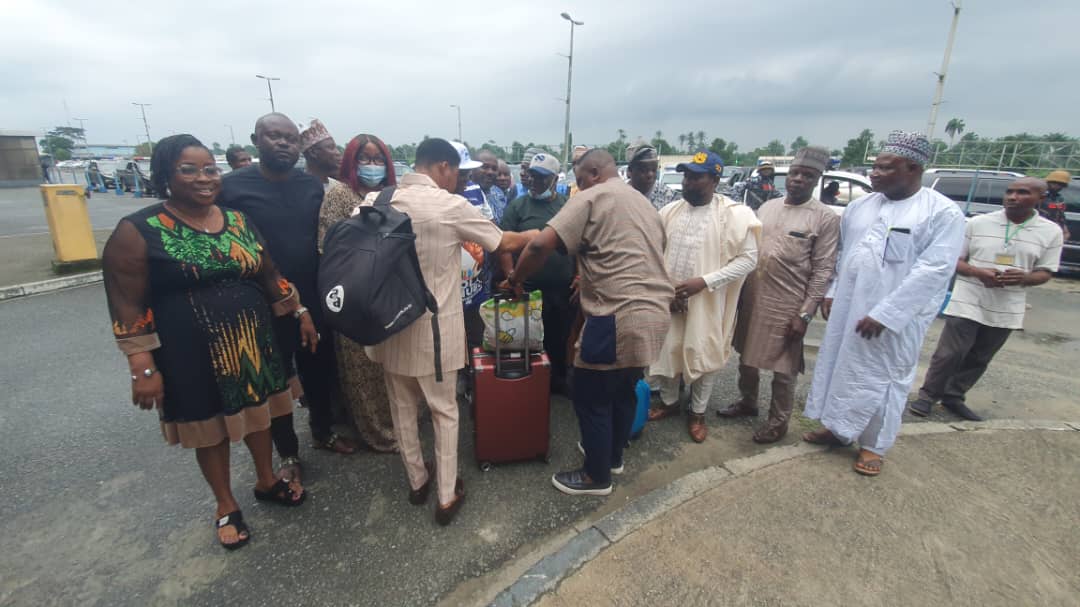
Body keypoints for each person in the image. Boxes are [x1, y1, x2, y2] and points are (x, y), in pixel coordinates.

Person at [102, 134, 310, 550]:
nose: (203, 178)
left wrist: (299, 310)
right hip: (190, 352)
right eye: (189, 170)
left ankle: (266, 480)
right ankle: (225, 503)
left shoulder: (237, 220)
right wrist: (142, 366)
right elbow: (127, 304)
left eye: (210, 169)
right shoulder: (139, 230)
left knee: (260, 416)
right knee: (208, 428)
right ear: (165, 175)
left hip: (254, 342)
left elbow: (268, 273)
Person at [362, 138, 538, 525]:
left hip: (387, 327)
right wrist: (534, 235)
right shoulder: (449, 206)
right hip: (434, 332)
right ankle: (445, 496)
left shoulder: (375, 201)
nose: (459, 178)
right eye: (457, 170)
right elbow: (501, 241)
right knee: (444, 412)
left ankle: (417, 482)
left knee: (402, 409)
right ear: (443, 166)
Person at [509, 150, 673, 496]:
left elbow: (538, 246)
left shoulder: (593, 197)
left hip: (616, 314)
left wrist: (515, 279)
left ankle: (596, 477)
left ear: (595, 172)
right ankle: (612, 457)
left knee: (589, 392)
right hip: (655, 313)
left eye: (581, 179)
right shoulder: (643, 203)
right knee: (624, 387)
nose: (579, 186)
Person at [802, 130, 965, 477]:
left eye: (885, 168)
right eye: (874, 167)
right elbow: (844, 254)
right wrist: (832, 291)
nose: (874, 174)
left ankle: (874, 446)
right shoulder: (860, 207)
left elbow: (935, 270)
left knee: (884, 378)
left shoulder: (942, 213)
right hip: (849, 307)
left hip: (896, 318)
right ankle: (838, 428)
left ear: (913, 169)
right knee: (842, 366)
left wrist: (886, 314)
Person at [220, 113, 358, 489]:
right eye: (273, 136)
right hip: (261, 300)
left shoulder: (312, 186)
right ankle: (288, 453)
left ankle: (323, 431)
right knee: (277, 379)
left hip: (313, 293)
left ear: (299, 146)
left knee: (318, 367)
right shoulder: (230, 188)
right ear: (256, 140)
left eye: (290, 138)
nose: (282, 143)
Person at [910, 178, 1062, 421]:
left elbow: (1046, 272)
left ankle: (954, 396)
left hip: (1007, 305)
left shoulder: (1051, 232)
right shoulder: (978, 223)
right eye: (1010, 192)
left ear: (1040, 198)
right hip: (968, 298)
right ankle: (927, 396)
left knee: (980, 356)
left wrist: (1024, 278)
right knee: (950, 352)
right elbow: (955, 260)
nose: (1013, 197)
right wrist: (978, 272)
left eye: (1022, 192)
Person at [722, 146, 841, 443]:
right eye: (795, 173)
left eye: (807, 175)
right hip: (753, 296)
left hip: (789, 303)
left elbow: (823, 270)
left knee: (784, 367)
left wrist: (805, 314)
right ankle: (748, 401)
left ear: (817, 180)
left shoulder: (825, 218)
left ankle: (778, 422)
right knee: (747, 356)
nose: (799, 179)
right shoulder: (767, 207)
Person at [646, 150, 760, 443]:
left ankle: (697, 413)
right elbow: (653, 253)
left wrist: (705, 282)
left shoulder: (735, 215)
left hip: (709, 301)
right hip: (670, 298)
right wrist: (666, 290)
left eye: (696, 177)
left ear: (715, 180)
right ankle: (669, 403)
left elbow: (749, 260)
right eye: (686, 176)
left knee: (703, 353)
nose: (687, 182)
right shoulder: (669, 211)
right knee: (669, 349)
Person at [317, 134, 399, 452]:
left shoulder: (394, 193)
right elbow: (327, 246)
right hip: (353, 293)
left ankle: (401, 423)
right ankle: (378, 432)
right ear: (352, 162)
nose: (372, 165)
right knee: (362, 366)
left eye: (378, 159)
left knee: (391, 364)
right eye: (365, 159)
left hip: (390, 292)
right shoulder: (340, 195)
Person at [499, 152, 575, 394]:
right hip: (528, 287)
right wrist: (512, 276)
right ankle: (529, 384)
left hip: (562, 287)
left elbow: (581, 243)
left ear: (555, 179)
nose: (536, 181)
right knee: (527, 338)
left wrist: (580, 275)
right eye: (533, 176)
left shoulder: (567, 206)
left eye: (543, 177)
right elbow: (504, 246)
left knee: (559, 337)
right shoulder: (518, 206)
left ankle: (557, 381)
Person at [625, 142, 677, 211]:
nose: (650, 175)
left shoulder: (669, 197)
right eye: (644, 170)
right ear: (630, 171)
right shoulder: (619, 195)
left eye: (654, 169)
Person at [300, 119, 343, 192]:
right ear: (313, 152)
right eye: (331, 147)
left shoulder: (341, 187)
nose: (338, 153)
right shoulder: (300, 191)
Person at [474, 150, 508, 223]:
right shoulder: (464, 193)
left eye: (494, 169)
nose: (490, 172)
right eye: (485, 167)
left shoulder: (498, 193)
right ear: (473, 169)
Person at [1042, 170, 1071, 240]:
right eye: (1056, 184)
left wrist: (1065, 230)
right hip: (1039, 229)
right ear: (1049, 182)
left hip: (1052, 231)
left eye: (1062, 185)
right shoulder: (1038, 195)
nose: (1059, 187)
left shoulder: (1059, 198)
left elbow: (1061, 215)